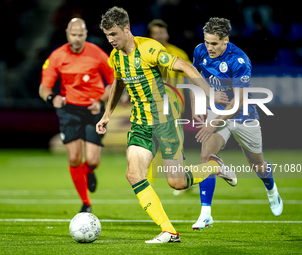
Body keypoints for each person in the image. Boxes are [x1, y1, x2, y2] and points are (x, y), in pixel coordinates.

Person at [96, 7, 236, 243]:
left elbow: (186, 67)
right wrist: (107, 114)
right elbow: (118, 81)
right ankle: (169, 231)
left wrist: (209, 93)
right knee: (133, 175)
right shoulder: (115, 57)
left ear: (126, 29)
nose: (110, 40)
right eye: (107, 35)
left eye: (113, 34)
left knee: (177, 182)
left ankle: (214, 166)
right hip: (140, 124)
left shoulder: (150, 49)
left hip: (165, 121)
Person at [191, 17, 283, 230]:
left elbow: (239, 99)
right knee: (205, 156)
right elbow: (195, 78)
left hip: (243, 115)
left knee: (257, 164)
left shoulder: (239, 60)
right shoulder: (199, 51)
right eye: (207, 42)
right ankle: (206, 214)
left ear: (226, 40)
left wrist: (214, 123)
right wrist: (198, 105)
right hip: (217, 111)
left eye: (214, 43)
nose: (209, 47)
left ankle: (271, 190)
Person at [39, 18, 114, 213]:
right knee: (74, 158)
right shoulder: (57, 56)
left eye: (80, 35)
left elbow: (114, 82)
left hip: (93, 110)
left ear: (86, 34)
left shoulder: (98, 54)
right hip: (69, 109)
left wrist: (101, 100)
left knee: (92, 160)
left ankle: (89, 171)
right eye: (73, 35)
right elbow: (44, 87)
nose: (77, 39)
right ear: (67, 34)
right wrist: (51, 98)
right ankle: (86, 203)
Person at [147, 19, 194, 195]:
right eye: (155, 33)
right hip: (152, 102)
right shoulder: (147, 53)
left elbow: (190, 75)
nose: (159, 36)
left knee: (161, 140)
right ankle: (186, 177)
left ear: (167, 34)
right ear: (151, 36)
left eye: (162, 32)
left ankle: (150, 180)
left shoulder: (178, 53)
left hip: (173, 104)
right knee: (171, 142)